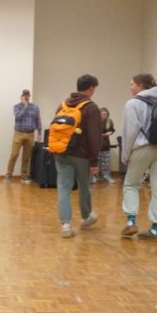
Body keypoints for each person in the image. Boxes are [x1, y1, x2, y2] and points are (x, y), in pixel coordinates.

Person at [120, 73, 157, 241]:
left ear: (141, 85)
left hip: (143, 148)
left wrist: (126, 154)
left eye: (132, 84)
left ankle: (130, 222)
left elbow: (130, 131)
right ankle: (155, 230)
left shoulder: (133, 103)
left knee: (131, 184)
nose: (130, 87)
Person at [53, 74, 102, 238]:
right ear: (91, 88)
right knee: (84, 187)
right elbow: (94, 137)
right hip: (81, 155)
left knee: (63, 188)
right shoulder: (91, 107)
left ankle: (66, 225)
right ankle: (86, 217)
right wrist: (94, 161)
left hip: (61, 152)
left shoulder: (62, 105)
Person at [4, 89, 41, 184]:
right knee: (14, 154)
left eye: (28, 95)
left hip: (30, 134)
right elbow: (18, 117)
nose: (26, 97)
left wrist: (39, 133)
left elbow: (38, 120)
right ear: (21, 96)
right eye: (24, 95)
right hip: (19, 134)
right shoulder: (17, 107)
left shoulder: (35, 108)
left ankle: (24, 176)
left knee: (26, 156)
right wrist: (25, 106)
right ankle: (8, 175)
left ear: (29, 96)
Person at [95, 107, 116, 184]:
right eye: (103, 114)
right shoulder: (95, 121)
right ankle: (95, 177)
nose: (104, 116)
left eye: (106, 114)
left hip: (105, 145)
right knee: (95, 162)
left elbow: (112, 130)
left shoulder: (109, 122)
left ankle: (106, 177)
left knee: (106, 163)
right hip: (96, 146)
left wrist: (107, 134)